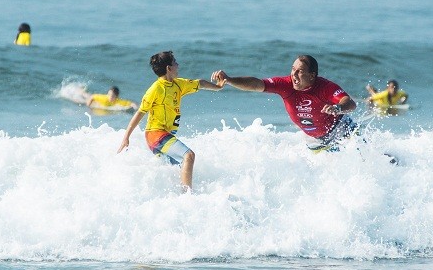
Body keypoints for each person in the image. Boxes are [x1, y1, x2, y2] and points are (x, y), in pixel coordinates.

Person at [117, 51, 225, 191]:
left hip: (164, 136)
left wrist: (218, 87)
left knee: (180, 167)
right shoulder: (155, 89)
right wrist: (126, 137)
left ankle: (173, 197)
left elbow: (200, 83)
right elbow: (140, 113)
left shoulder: (178, 85)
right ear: (169, 68)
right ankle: (187, 196)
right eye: (175, 62)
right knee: (189, 155)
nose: (178, 65)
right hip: (155, 135)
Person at [211, 54, 358, 153]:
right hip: (313, 140)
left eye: (299, 71)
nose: (293, 74)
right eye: (293, 69)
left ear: (312, 75)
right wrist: (229, 80)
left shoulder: (325, 87)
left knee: (364, 161)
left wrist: (337, 108)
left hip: (341, 129)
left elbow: (350, 103)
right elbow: (256, 84)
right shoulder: (285, 84)